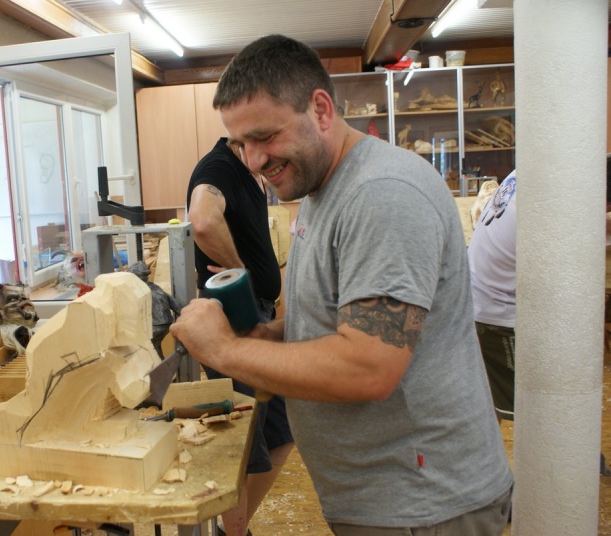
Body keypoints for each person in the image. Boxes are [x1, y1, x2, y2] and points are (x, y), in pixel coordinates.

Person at [170, 35, 513, 535]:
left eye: (265, 137)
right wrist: (269, 335)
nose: (253, 160)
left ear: (321, 109)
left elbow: (368, 367)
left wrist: (223, 349)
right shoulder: (321, 187)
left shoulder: (381, 195)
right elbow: (336, 318)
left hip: (424, 506)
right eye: (240, 144)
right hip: (383, 499)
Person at [186, 137, 294, 536]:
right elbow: (202, 221)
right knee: (242, 448)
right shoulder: (219, 167)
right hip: (234, 319)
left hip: (256, 317)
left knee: (281, 432)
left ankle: (232, 530)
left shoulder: (251, 172)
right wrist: (240, 273)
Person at [468, 170, 517, 423]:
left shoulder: (522, 175)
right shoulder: (553, 198)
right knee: (539, 405)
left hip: (478, 297)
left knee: (489, 402)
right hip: (497, 310)